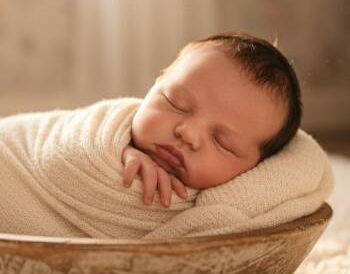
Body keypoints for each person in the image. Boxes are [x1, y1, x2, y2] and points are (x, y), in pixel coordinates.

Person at [122, 32, 302, 208]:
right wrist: (119, 153)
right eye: (176, 104)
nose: (188, 134)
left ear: (255, 168)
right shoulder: (108, 131)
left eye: (222, 142)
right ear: (156, 83)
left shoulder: (232, 212)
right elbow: (95, 132)